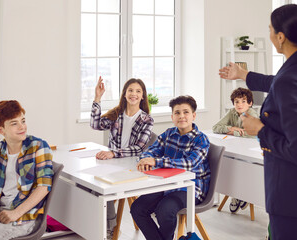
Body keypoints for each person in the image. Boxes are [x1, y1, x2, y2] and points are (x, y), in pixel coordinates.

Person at [219, 4, 297, 240]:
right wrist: (243, 74)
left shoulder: (291, 79)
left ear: (280, 36)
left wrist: (260, 129)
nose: (269, 34)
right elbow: (282, 83)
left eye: (269, 29)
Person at [130, 95, 210, 240]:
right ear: (172, 116)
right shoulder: (168, 134)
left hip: (191, 188)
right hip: (166, 184)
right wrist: (145, 159)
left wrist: (157, 162)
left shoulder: (201, 139)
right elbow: (150, 151)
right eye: (177, 113)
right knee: (137, 208)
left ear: (194, 115)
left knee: (165, 210)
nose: (181, 116)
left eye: (186, 112)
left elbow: (190, 163)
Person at [0, 100, 54, 240]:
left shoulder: (38, 146)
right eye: (14, 123)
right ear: (1, 130)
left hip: (24, 217)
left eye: (23, 121)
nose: (22, 127)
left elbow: (44, 186)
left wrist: (15, 213)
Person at [90, 77, 154, 237]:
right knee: (90, 185)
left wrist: (113, 153)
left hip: (132, 166)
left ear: (143, 96)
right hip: (111, 164)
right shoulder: (116, 114)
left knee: (105, 188)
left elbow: (138, 148)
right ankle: (94, 226)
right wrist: (97, 98)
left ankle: (109, 229)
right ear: (124, 94)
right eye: (130, 90)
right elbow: (95, 124)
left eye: (138, 91)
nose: (134, 94)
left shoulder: (146, 119)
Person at [212, 87, 258, 213]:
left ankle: (242, 194)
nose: (239, 105)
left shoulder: (251, 114)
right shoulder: (232, 112)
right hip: (236, 147)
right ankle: (236, 194)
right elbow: (216, 127)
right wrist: (231, 129)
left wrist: (235, 133)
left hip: (250, 150)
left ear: (250, 103)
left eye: (243, 101)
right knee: (228, 162)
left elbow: (254, 134)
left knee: (241, 165)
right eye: (237, 101)